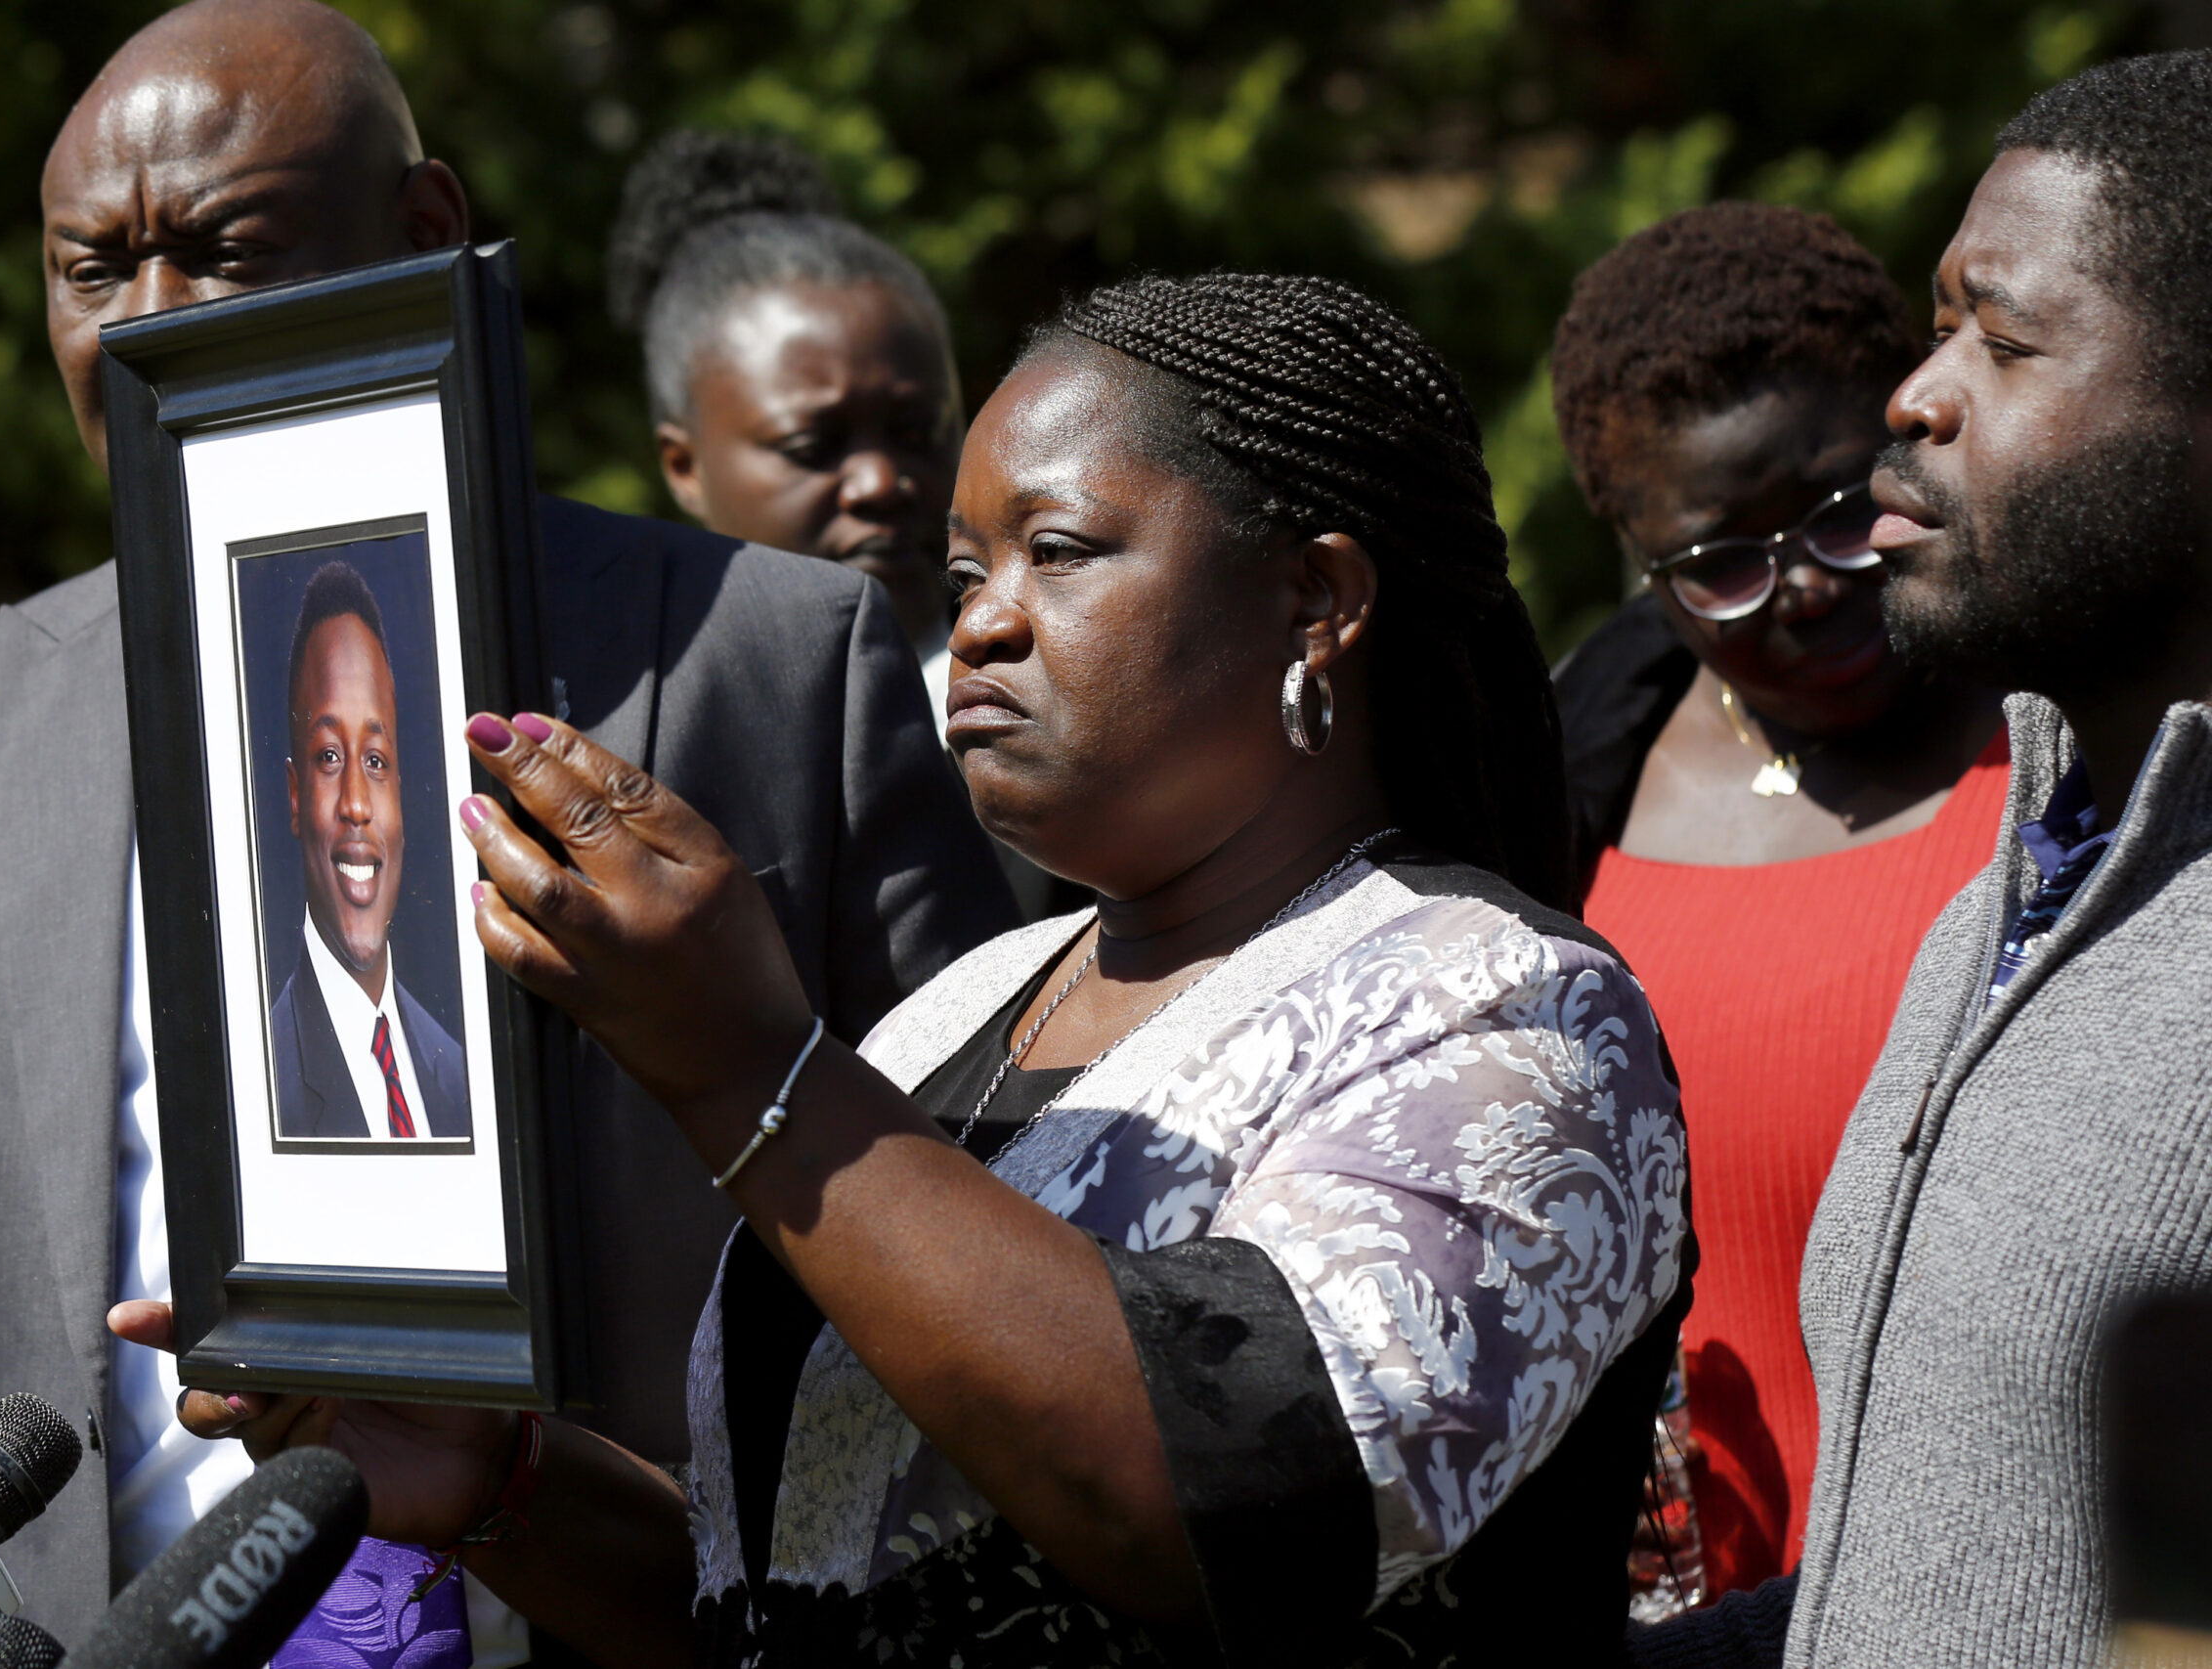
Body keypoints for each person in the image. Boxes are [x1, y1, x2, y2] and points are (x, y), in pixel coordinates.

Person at [131, 272, 1694, 1668]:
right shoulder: (966, 1005)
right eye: (963, 577)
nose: (984, 629)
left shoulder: (1506, 1005)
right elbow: (798, 1598)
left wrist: (751, 1067)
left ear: (1318, 598)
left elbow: (1232, 1509)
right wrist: (507, 1486)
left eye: (1059, 552)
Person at [0, 0, 1015, 1659]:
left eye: (219, 251)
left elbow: (989, 1224)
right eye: (89, 270)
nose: (142, 329)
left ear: (425, 235)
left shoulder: (769, 658)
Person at [1628, 49, 2212, 1669]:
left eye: (2006, 340)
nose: (1917, 392)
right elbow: (1925, 1583)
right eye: (1941, 321)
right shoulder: (2008, 899)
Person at [1545, 202, 2006, 1601]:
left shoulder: (2080, 734)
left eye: (1838, 508)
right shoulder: (1564, 793)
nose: (1804, 587)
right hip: (1702, 1599)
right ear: (1635, 547)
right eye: (1724, 562)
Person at [609, 129, 1073, 923]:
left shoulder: (1066, 707)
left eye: (917, 431)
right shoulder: (629, 745)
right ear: (683, 465)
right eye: (813, 447)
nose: (881, 482)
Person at [269, 561, 469, 1143]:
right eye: (329, 756)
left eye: (377, 762)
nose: (357, 803)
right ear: (294, 796)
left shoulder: (459, 1073)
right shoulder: (262, 1083)